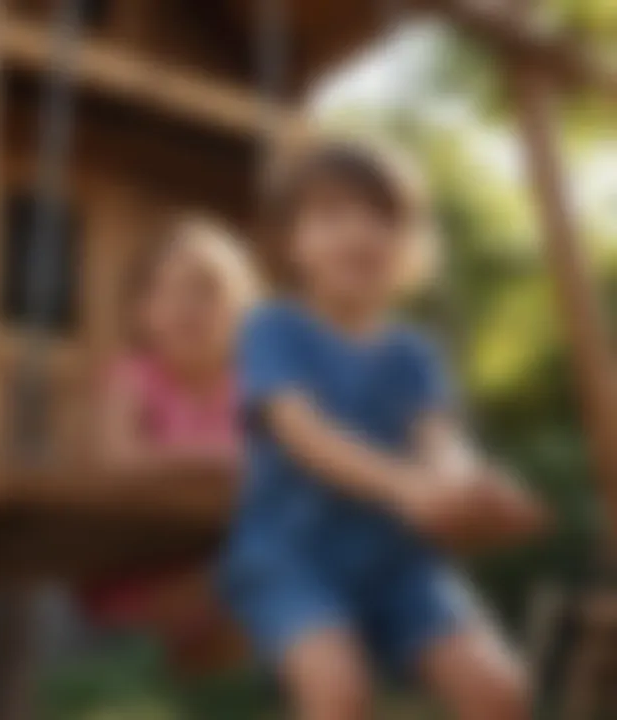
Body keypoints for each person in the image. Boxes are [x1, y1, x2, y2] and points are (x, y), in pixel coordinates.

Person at [220, 142, 549, 719]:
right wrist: (408, 488)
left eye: (382, 216)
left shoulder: (413, 354)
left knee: (500, 692)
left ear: (410, 247)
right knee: (338, 693)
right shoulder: (273, 326)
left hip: (400, 565)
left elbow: (440, 441)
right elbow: (303, 432)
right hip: (292, 558)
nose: (359, 232)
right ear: (291, 243)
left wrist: (471, 489)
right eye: (330, 214)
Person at [81, 215, 258, 673]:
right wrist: (214, 458)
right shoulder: (132, 375)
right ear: (142, 312)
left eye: (206, 292)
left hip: (221, 564)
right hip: (137, 565)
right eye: (168, 292)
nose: (187, 308)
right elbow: (115, 460)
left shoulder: (250, 387)